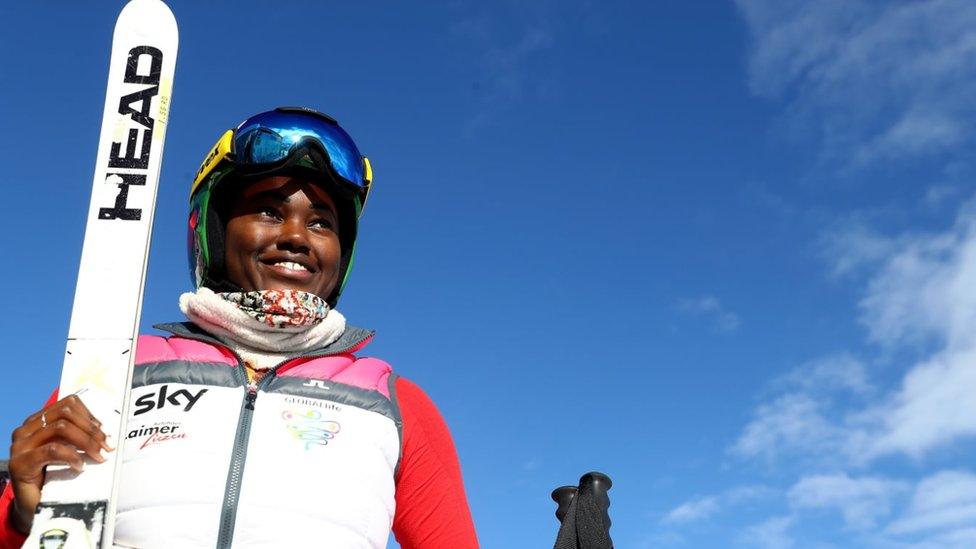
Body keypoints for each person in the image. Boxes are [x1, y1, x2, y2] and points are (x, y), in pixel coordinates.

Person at [1, 107, 479, 548]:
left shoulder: (394, 405)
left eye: (320, 222)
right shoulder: (119, 366)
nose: (295, 237)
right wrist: (23, 515)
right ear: (214, 229)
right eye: (269, 211)